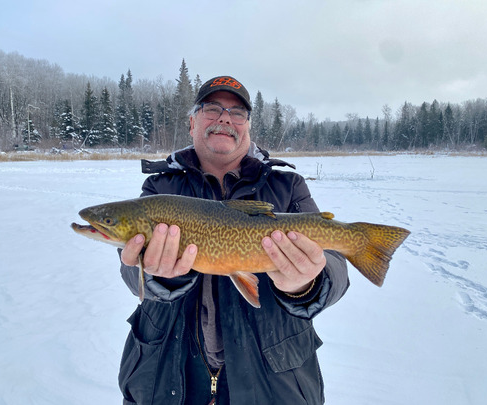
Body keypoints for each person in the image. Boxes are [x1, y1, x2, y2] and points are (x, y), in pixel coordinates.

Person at [118, 75, 349, 405]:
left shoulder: (287, 185)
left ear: (247, 126)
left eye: (237, 112)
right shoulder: (162, 187)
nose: (225, 118)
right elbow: (130, 268)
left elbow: (335, 267)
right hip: (166, 379)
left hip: (274, 383)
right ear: (192, 123)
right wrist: (160, 276)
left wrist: (306, 284)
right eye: (212, 109)